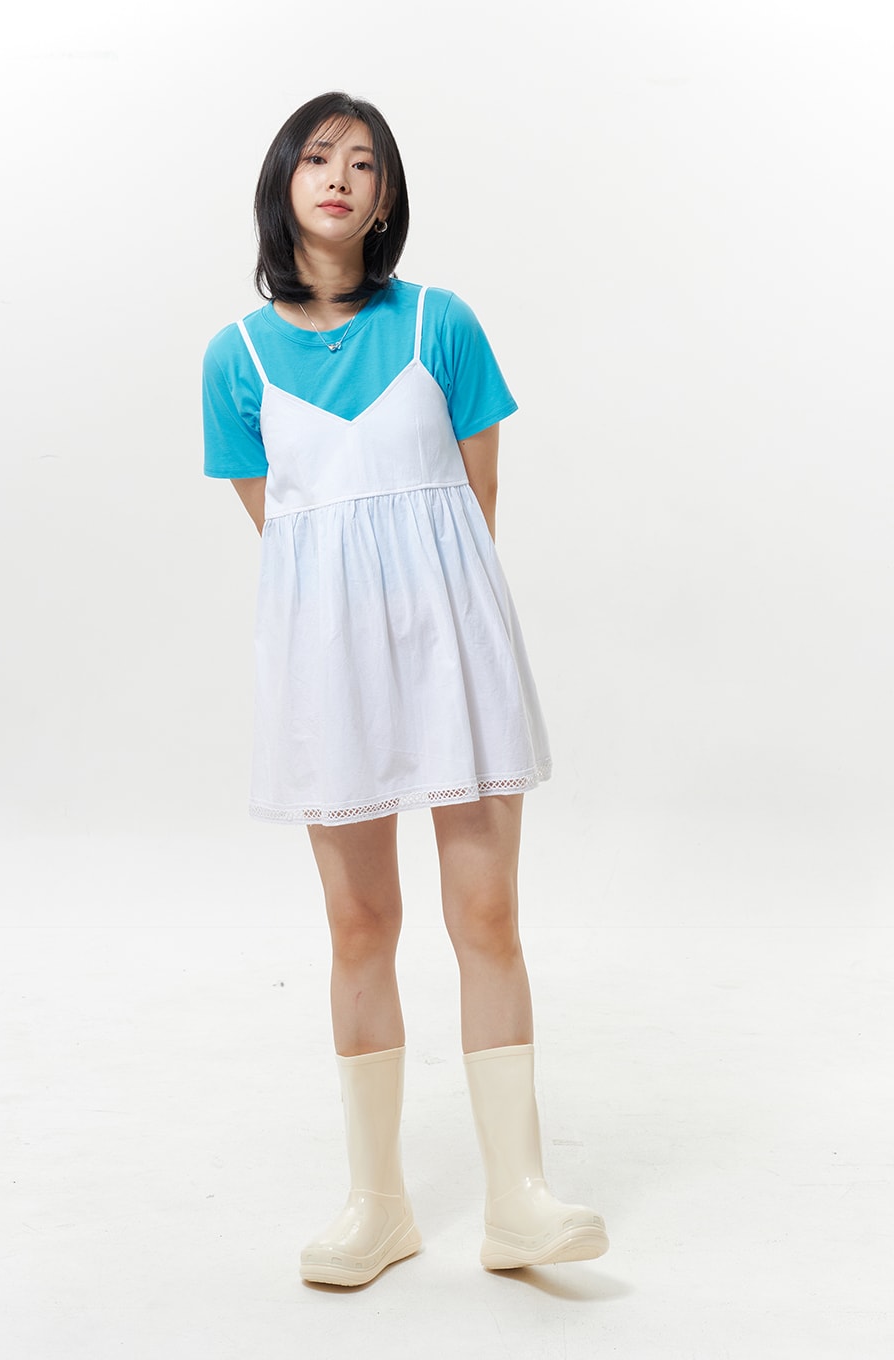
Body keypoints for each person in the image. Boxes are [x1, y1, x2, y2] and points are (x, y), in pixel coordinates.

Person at [202, 91, 609, 1286]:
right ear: (284, 183)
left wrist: (436, 625)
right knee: (358, 925)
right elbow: (284, 527)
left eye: (364, 162)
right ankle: (375, 1203)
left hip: (452, 651)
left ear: (386, 199)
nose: (339, 175)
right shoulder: (234, 357)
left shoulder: (443, 323)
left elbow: (478, 501)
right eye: (317, 157)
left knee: (485, 916)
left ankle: (518, 1200)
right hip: (328, 667)